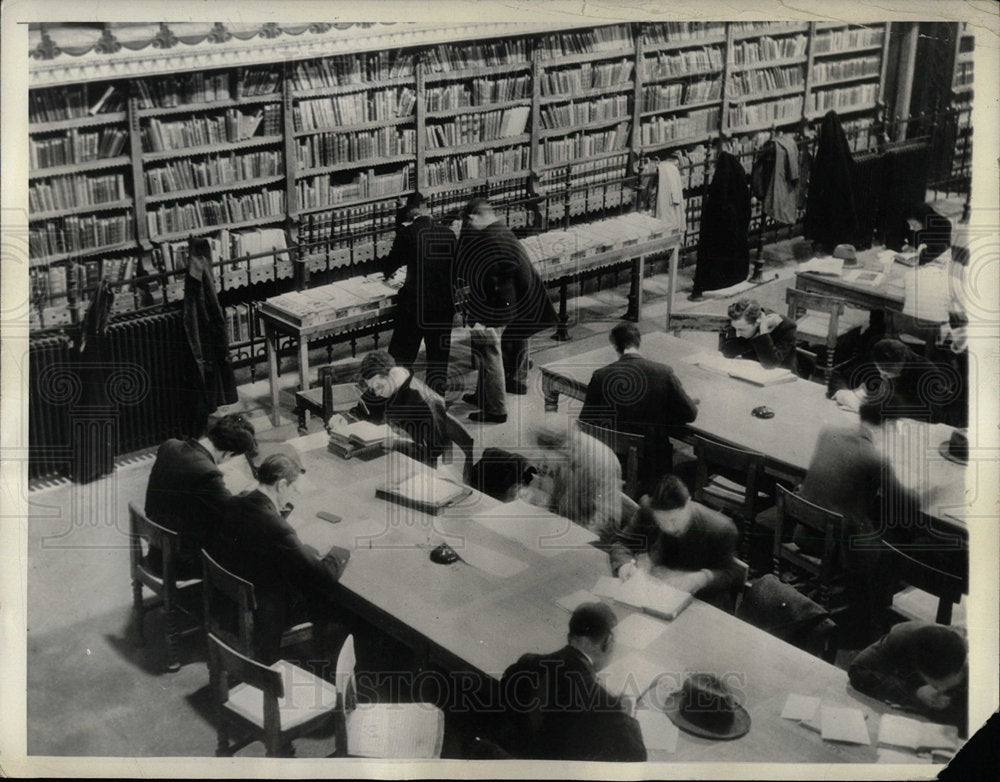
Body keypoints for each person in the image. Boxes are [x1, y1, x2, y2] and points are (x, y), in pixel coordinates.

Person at [790, 401, 920, 646]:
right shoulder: (875, 456)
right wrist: (920, 491)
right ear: (890, 425)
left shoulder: (828, 432)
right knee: (896, 542)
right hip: (835, 545)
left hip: (804, 530)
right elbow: (904, 504)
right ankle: (868, 623)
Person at [212, 453, 350, 664]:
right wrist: (341, 550)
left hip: (226, 601)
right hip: (263, 612)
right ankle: (323, 659)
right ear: (281, 485)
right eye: (293, 489)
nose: (292, 496)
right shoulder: (278, 528)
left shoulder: (234, 502)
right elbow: (323, 575)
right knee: (331, 598)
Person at [498, 602, 646, 761]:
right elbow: (635, 758)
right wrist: (626, 715)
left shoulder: (526, 664)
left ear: (571, 635)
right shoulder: (605, 704)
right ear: (608, 641)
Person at [455, 197, 557, 423]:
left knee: (490, 353)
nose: (469, 228)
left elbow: (495, 286)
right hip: (516, 302)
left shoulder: (491, 239)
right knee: (487, 352)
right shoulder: (500, 229)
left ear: (474, 217)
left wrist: (482, 319)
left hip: (498, 308)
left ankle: (496, 409)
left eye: (469, 223)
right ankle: (484, 395)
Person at [579, 321, 699, 496]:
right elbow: (690, 414)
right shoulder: (663, 372)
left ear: (615, 346)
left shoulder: (600, 376)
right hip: (651, 460)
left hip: (610, 456)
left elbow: (585, 421)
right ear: (638, 342)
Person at [144, 413, 258, 579]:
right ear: (227, 454)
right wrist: (249, 493)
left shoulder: (170, 446)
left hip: (156, 548)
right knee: (249, 538)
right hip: (181, 561)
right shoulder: (208, 474)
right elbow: (232, 513)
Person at [608, 475, 742, 610]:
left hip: (700, 601)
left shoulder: (720, 528)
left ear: (688, 503)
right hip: (654, 592)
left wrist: (703, 577)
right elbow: (621, 541)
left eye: (674, 520)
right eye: (661, 521)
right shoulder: (648, 510)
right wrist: (624, 566)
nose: (668, 528)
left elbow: (730, 574)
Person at [382, 193, 457, 397]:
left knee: (401, 359)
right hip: (443, 308)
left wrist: (391, 275)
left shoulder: (408, 234)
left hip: (415, 309)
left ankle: (398, 400)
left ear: (408, 213)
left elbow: (390, 266)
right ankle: (437, 407)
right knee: (438, 362)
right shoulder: (448, 234)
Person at [848, 621, 968, 734]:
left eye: (947, 685)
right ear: (919, 669)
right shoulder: (905, 639)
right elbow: (858, 670)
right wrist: (916, 691)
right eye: (935, 686)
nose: (941, 689)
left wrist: (951, 703)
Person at [519, 417, 622, 540]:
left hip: (585, 532)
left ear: (565, 447)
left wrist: (577, 541)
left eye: (546, 456)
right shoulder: (553, 450)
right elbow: (539, 490)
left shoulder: (601, 462)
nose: (543, 461)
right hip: (558, 524)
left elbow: (607, 519)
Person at [351, 349, 453, 467]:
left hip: (415, 467)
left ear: (393, 374)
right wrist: (345, 418)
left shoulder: (426, 402)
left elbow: (434, 451)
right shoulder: (383, 386)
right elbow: (361, 410)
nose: (376, 393)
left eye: (379, 387)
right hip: (388, 457)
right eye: (373, 388)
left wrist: (396, 444)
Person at [831, 338, 964, 427]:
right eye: (880, 372)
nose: (883, 377)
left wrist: (889, 409)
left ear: (903, 362)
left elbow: (935, 414)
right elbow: (840, 376)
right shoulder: (876, 356)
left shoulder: (927, 372)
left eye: (889, 374)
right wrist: (842, 392)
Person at [719, 297, 799, 373]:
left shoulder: (787, 326)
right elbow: (727, 351)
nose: (737, 334)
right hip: (751, 371)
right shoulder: (739, 321)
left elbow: (770, 364)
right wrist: (756, 335)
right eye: (735, 329)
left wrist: (763, 331)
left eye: (741, 330)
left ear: (758, 323)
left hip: (782, 377)